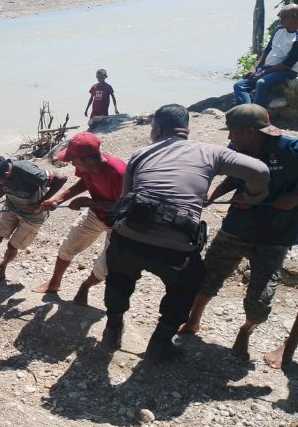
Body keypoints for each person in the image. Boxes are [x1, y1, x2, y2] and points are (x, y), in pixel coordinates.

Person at [101, 104, 270, 360]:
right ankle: (160, 342)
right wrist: (251, 197)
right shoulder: (211, 152)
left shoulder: (140, 154)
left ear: (156, 129)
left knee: (118, 279)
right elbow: (260, 171)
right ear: (187, 130)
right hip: (176, 246)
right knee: (188, 284)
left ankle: (112, 329)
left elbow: (125, 200)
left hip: (129, 238)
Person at [180, 104, 298, 360]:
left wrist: (293, 197)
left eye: (232, 132)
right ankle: (193, 320)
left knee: (260, 300)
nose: (229, 138)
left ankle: (246, 329)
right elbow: (232, 178)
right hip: (236, 229)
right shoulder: (238, 149)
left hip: (275, 238)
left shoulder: (291, 150)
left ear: (250, 132)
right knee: (208, 275)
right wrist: (212, 196)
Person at [31, 132, 126, 305]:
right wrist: (58, 199)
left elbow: (124, 207)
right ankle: (54, 283)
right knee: (67, 247)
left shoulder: (118, 173)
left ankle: (85, 287)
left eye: (74, 160)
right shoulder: (87, 166)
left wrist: (89, 202)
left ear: (88, 160)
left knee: (105, 268)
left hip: (119, 223)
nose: (72, 163)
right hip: (96, 214)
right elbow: (83, 182)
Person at [0, 155, 67, 290]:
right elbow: (2, 187)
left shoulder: (28, 171)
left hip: (33, 214)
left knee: (12, 246)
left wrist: (39, 203)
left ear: (7, 173)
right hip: (11, 206)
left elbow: (61, 179)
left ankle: (3, 265)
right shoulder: (2, 175)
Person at [233, 4, 298, 107]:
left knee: (261, 83)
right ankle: (247, 111)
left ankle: (259, 113)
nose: (280, 20)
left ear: (294, 17)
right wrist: (255, 68)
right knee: (239, 85)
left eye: (282, 17)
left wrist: (264, 73)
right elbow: (267, 50)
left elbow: (287, 64)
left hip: (287, 71)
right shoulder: (279, 30)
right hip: (268, 68)